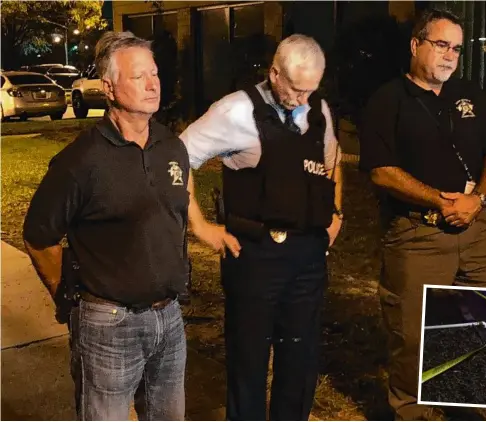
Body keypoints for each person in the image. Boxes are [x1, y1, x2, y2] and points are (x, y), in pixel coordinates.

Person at [359, 9, 486, 421]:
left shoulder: (472, 96)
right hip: (418, 236)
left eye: (456, 48)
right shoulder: (387, 101)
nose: (450, 55)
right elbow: (381, 170)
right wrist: (440, 201)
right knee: (412, 336)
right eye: (440, 45)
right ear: (416, 45)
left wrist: (477, 201)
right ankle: (417, 414)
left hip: (478, 232)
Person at [23, 31, 190, 420]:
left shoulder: (171, 147)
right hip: (108, 326)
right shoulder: (80, 162)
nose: (152, 85)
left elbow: (177, 213)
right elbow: (38, 236)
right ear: (109, 88)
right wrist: (67, 296)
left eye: (155, 74)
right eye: (138, 77)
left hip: (169, 318)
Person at [179, 33, 343, 420]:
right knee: (249, 359)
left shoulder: (319, 109)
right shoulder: (236, 110)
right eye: (297, 89)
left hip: (308, 256)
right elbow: (177, 158)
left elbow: (333, 162)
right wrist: (200, 225)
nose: (303, 99)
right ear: (274, 73)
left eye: (311, 89)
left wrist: (336, 215)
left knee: (300, 359)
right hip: (255, 254)